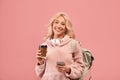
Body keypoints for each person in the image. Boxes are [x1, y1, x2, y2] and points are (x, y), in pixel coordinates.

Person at [35, 12, 85, 80]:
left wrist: (68, 69)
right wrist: (40, 62)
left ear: (66, 27)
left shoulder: (73, 44)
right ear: (52, 24)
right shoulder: (44, 45)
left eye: (62, 24)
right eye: (56, 22)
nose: (58, 26)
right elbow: (39, 74)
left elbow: (80, 68)